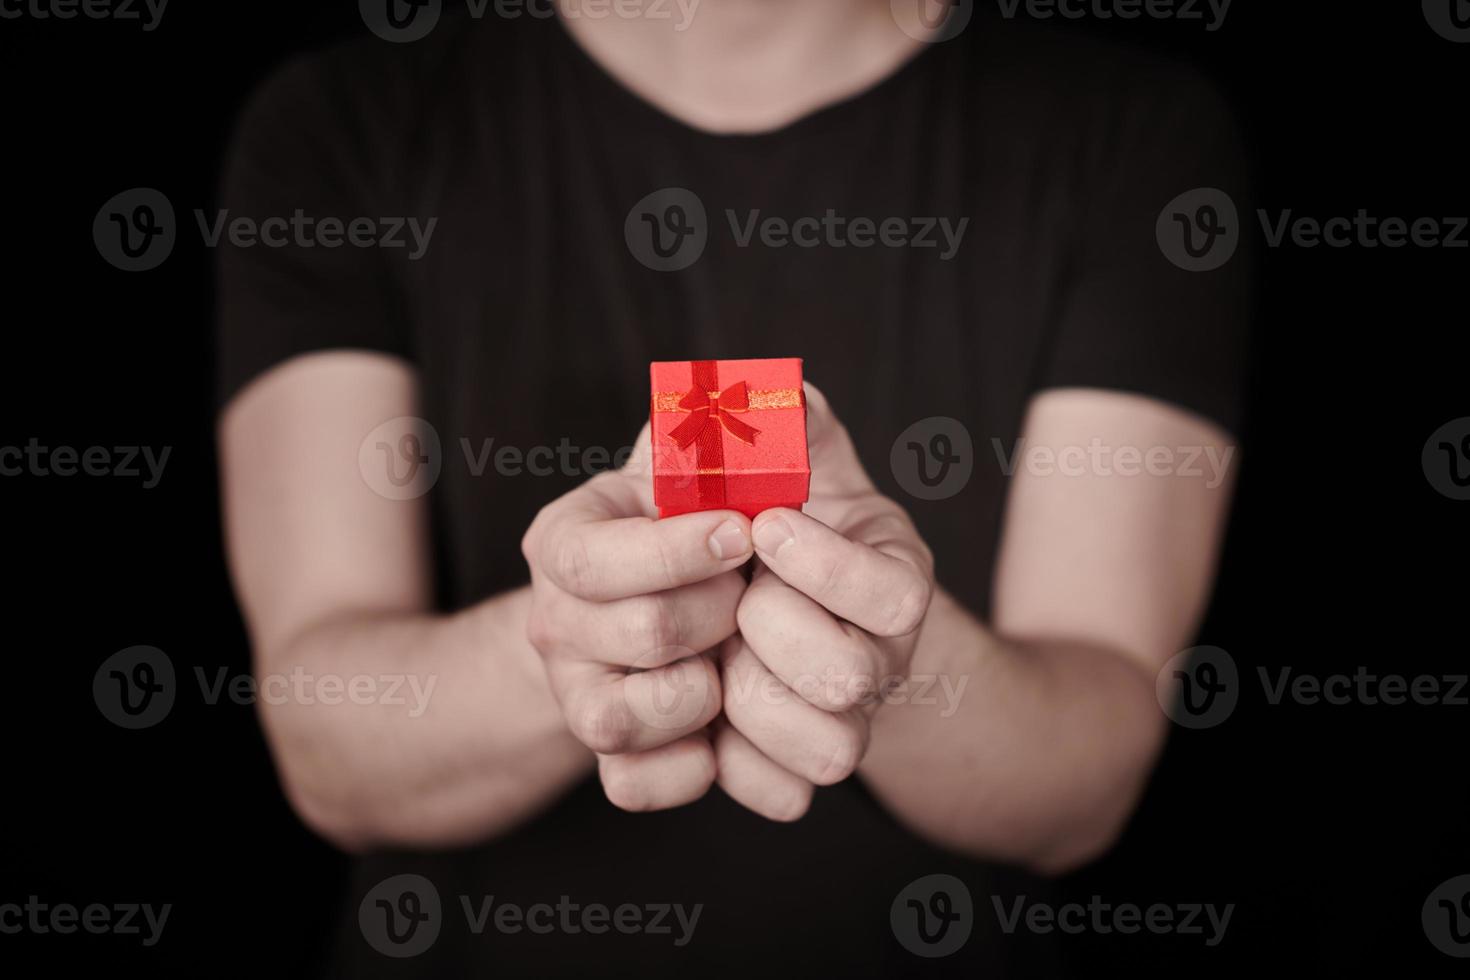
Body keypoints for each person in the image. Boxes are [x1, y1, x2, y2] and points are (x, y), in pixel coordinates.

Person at [216, 2, 1249, 975]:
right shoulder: (342, 125)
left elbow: (1089, 781)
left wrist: (885, 651)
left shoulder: (1127, 134)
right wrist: (576, 640)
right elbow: (323, 744)